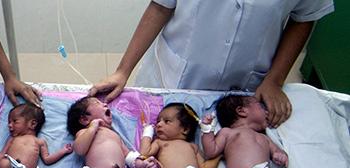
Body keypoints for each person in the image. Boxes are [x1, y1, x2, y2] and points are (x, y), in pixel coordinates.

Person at [89, 1, 334, 128]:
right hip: (173, 78)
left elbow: (304, 17)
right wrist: (123, 71)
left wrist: (274, 80)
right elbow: (161, 5)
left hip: (246, 87)